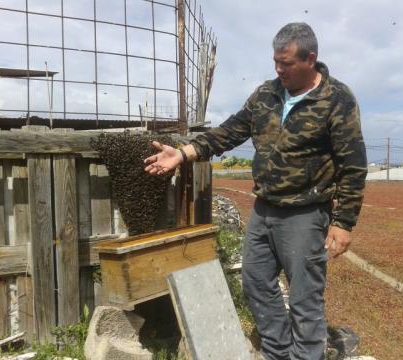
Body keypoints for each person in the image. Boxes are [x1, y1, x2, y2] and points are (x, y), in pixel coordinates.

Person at [144, 22, 367, 360]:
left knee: (305, 297)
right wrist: (184, 153)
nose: (279, 69)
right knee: (255, 282)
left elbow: (353, 164)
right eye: (276, 61)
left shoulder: (336, 99)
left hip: (305, 213)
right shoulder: (266, 94)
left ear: (311, 59)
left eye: (287, 63)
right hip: (264, 210)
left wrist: (344, 222)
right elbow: (229, 132)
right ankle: (277, 352)